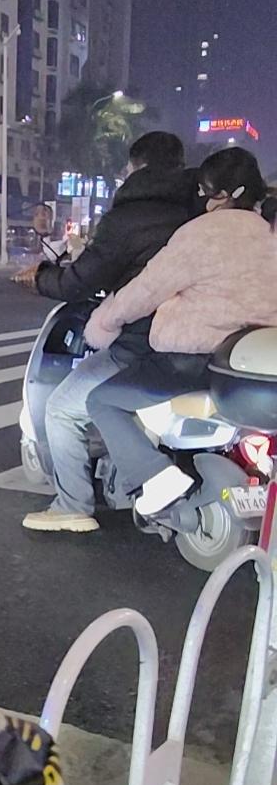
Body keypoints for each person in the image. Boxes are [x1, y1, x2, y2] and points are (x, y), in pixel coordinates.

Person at [84, 146, 277, 517]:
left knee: (102, 401)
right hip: (253, 367)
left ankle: (156, 477)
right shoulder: (269, 232)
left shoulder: (200, 234)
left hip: (190, 363)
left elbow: (145, 291)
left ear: (221, 194)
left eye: (203, 190)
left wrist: (105, 322)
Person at [20, 131, 198, 533]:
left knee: (62, 408)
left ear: (136, 167)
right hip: (215, 345)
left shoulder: (128, 217)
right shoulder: (201, 213)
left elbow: (80, 281)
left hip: (144, 346)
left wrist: (40, 278)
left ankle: (72, 504)